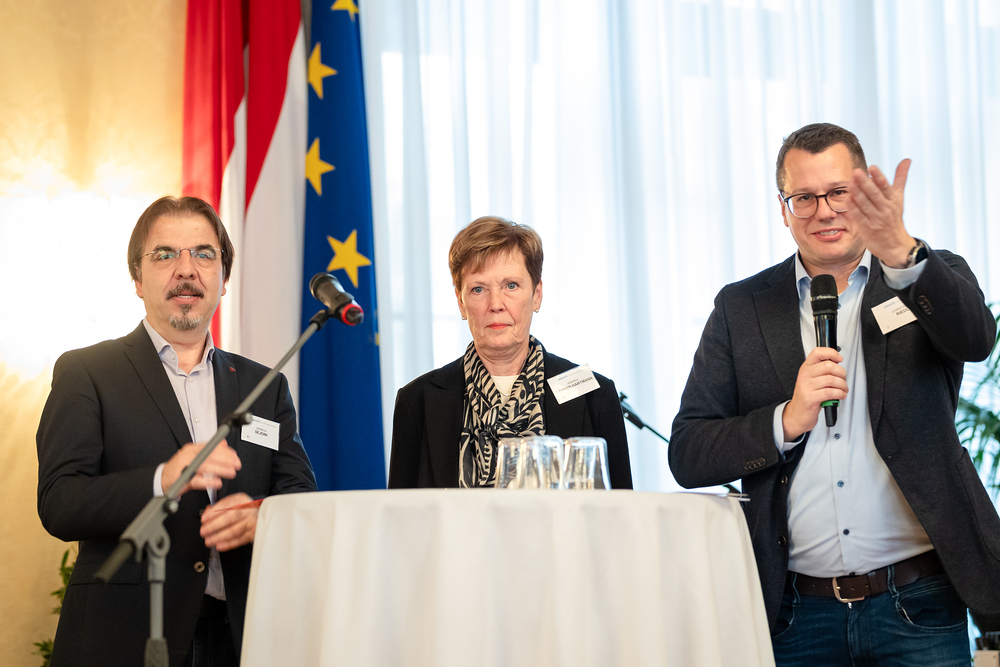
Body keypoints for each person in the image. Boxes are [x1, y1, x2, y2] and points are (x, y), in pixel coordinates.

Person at [669, 123, 1000, 665]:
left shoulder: (924, 276)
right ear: (783, 209)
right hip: (796, 616)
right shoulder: (741, 308)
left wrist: (903, 254)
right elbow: (688, 452)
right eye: (804, 198)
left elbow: (976, 340)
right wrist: (785, 420)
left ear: (864, 194)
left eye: (838, 192)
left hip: (919, 605)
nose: (823, 211)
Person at [36, 196, 317, 667]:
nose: (186, 269)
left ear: (223, 279)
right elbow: (59, 502)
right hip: (127, 638)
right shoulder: (87, 372)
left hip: (242, 639)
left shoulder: (264, 387)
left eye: (204, 254)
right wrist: (160, 479)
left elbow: (300, 496)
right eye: (165, 254)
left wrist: (263, 516)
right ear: (137, 278)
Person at [388, 216, 632, 489]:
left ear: (537, 294)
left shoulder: (594, 395)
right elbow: (400, 513)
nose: (496, 304)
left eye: (511, 286)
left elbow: (620, 510)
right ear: (461, 301)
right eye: (478, 289)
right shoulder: (417, 401)